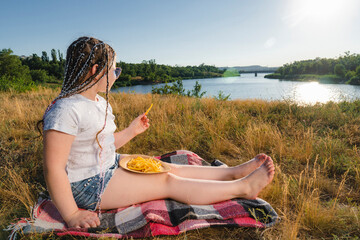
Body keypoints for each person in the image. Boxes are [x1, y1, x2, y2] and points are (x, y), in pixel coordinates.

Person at [40, 36, 275, 229]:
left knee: (164, 166)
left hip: (107, 166)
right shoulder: (66, 110)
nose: (117, 75)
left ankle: (231, 173)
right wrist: (71, 214)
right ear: (96, 71)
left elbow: (105, 144)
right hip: (87, 186)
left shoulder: (99, 102)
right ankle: (244, 188)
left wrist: (132, 131)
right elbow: (54, 168)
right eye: (115, 71)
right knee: (166, 181)